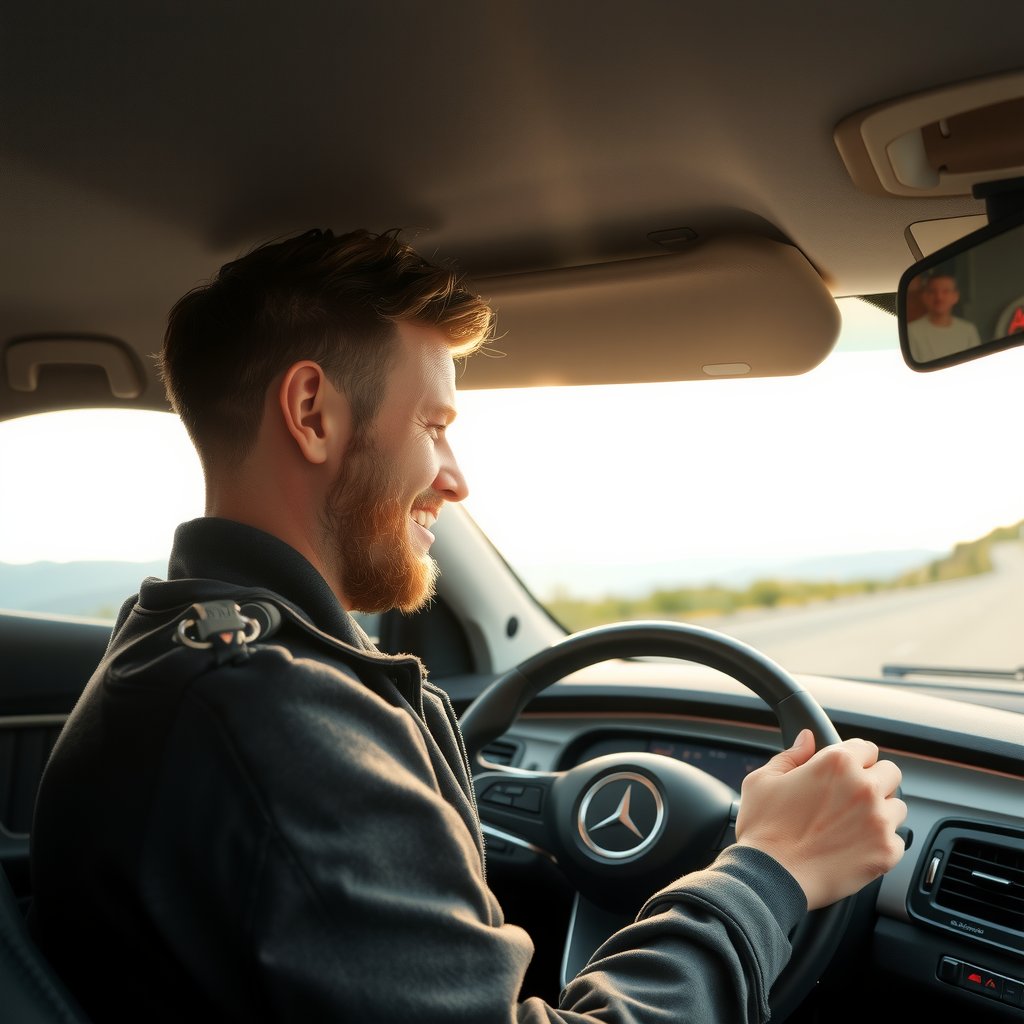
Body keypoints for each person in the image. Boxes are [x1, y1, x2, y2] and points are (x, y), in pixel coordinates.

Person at [28, 228, 907, 1023]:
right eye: (434, 425)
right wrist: (773, 867)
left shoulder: (173, 650)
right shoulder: (278, 719)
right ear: (312, 413)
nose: (456, 477)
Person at [907, 272, 982, 362]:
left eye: (945, 291)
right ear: (924, 296)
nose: (939, 297)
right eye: (932, 291)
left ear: (955, 296)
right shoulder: (911, 331)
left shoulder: (968, 330)